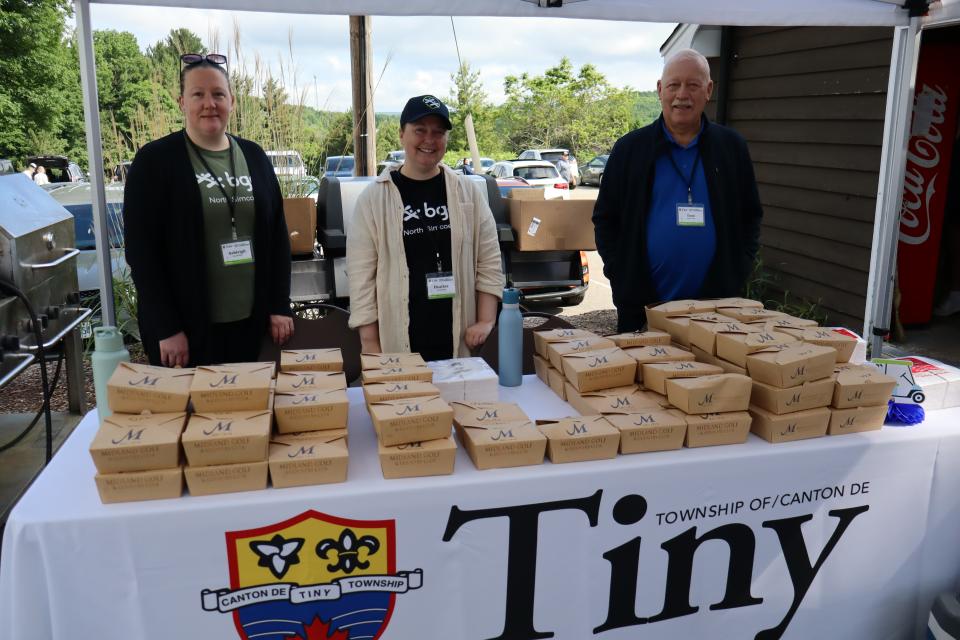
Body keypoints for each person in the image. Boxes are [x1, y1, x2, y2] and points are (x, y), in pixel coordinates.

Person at [123, 53, 294, 368]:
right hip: (186, 333)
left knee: (250, 411)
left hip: (251, 326)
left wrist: (279, 305)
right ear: (181, 102)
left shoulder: (254, 156)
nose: (209, 103)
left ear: (231, 100)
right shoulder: (155, 161)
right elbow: (142, 254)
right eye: (197, 94)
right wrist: (166, 327)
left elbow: (277, 237)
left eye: (218, 94)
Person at [592, 48, 763, 332]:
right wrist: (621, 275)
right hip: (642, 308)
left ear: (708, 90)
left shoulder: (731, 148)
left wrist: (737, 271)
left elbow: (750, 216)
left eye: (693, 85)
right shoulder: (629, 150)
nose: (682, 94)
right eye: (674, 85)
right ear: (660, 89)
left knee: (714, 378)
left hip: (717, 310)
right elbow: (605, 220)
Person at [347, 94, 504, 360]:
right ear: (401, 134)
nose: (429, 140)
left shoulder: (468, 193)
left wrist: (486, 321)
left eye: (438, 132)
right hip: (397, 341)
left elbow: (488, 261)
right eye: (420, 130)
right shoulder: (374, 199)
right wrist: (370, 342)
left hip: (461, 339)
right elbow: (361, 277)